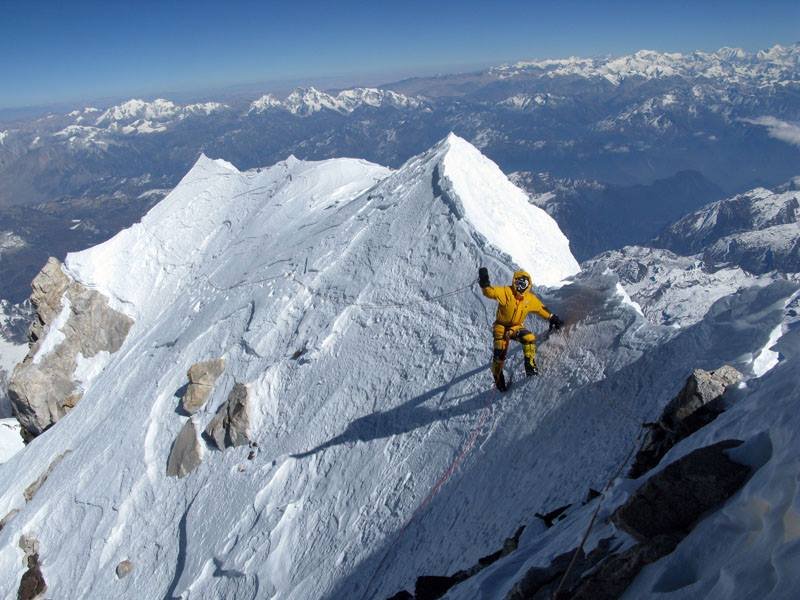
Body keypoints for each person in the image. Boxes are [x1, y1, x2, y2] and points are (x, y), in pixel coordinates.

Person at [478, 267, 564, 391]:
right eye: (518, 282)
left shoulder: (529, 299)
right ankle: (498, 377)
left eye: (524, 283)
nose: (520, 286)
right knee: (499, 356)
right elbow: (490, 292)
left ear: (528, 285)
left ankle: (530, 365)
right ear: (514, 281)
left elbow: (541, 309)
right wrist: (484, 282)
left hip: (516, 327)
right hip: (501, 327)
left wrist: (552, 318)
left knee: (529, 338)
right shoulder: (506, 291)